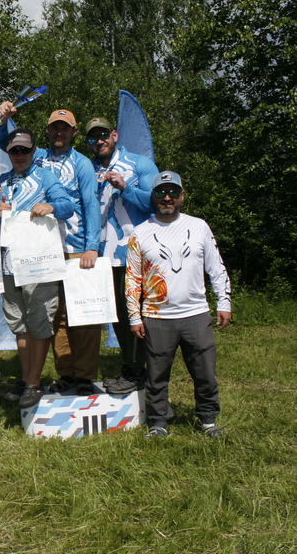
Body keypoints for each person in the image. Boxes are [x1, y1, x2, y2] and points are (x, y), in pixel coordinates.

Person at [0, 107, 102, 395]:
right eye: (55, 127)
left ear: (74, 132)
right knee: (55, 318)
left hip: (75, 247)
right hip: (37, 252)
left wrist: (92, 246)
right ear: (47, 130)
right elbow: (5, 141)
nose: (59, 132)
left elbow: (90, 205)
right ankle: (65, 374)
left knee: (82, 315)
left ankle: (84, 376)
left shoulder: (81, 164)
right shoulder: (38, 155)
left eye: (65, 128)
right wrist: (1, 119)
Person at [126, 171, 231, 438]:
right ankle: (158, 423)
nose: (167, 198)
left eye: (173, 192)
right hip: (156, 316)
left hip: (196, 314)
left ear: (182, 196)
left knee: (205, 372)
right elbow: (132, 278)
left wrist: (224, 302)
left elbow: (216, 266)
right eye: (161, 192)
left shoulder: (199, 226)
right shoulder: (140, 233)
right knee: (156, 375)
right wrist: (134, 316)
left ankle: (208, 420)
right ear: (153, 197)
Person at [0, 130, 74, 408]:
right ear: (8, 153)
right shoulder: (3, 180)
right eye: (14, 151)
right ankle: (25, 377)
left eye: (25, 150)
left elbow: (68, 206)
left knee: (39, 319)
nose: (20, 155)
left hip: (39, 261)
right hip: (9, 262)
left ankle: (33, 382)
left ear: (33, 151)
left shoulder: (45, 176)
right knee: (18, 321)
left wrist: (51, 205)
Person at [82, 117, 158, 394]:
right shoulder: (88, 169)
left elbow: (157, 202)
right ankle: (133, 368)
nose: (99, 141)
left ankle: (142, 373)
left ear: (114, 135)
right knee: (118, 316)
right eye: (93, 138)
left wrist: (126, 187)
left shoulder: (139, 164)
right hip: (103, 255)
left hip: (135, 254)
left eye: (103, 135)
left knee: (137, 313)